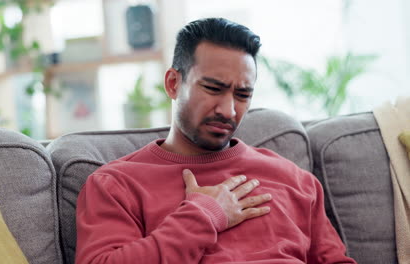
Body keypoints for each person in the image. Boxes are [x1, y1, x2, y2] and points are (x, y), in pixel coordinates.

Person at [75, 18, 356, 263]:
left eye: (242, 95)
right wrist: (203, 216)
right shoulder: (116, 185)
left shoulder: (295, 180)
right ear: (173, 83)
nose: (229, 110)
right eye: (213, 88)